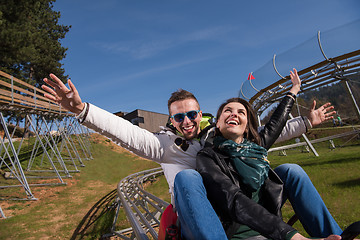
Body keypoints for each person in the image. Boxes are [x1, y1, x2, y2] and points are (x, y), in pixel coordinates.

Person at [41, 73, 335, 237]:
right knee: (188, 177)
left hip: (235, 205)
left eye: (192, 114)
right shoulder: (165, 145)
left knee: (291, 170)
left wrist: (307, 122)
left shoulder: (218, 135)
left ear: (201, 113)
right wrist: (82, 110)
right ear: (171, 121)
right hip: (203, 219)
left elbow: (262, 136)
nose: (187, 121)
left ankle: (334, 234)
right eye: (179, 117)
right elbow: (126, 133)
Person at [193, 69, 342, 240]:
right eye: (228, 110)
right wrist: (290, 235)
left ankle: (338, 237)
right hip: (243, 231)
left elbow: (276, 123)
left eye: (241, 112)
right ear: (217, 123)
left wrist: (294, 90)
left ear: (247, 124)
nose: (234, 113)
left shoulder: (256, 147)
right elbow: (233, 199)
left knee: (292, 170)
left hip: (271, 221)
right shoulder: (208, 156)